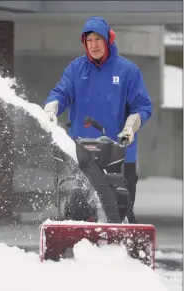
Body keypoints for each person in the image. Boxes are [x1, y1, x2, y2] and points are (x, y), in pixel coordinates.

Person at [43, 16, 152, 223]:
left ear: (108, 40)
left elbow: (142, 106)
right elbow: (61, 92)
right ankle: (82, 251)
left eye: (98, 39)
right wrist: (52, 106)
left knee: (121, 211)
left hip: (119, 154)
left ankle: (125, 250)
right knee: (80, 211)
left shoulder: (128, 71)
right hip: (83, 155)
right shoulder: (76, 70)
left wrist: (130, 126)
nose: (93, 45)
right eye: (89, 41)